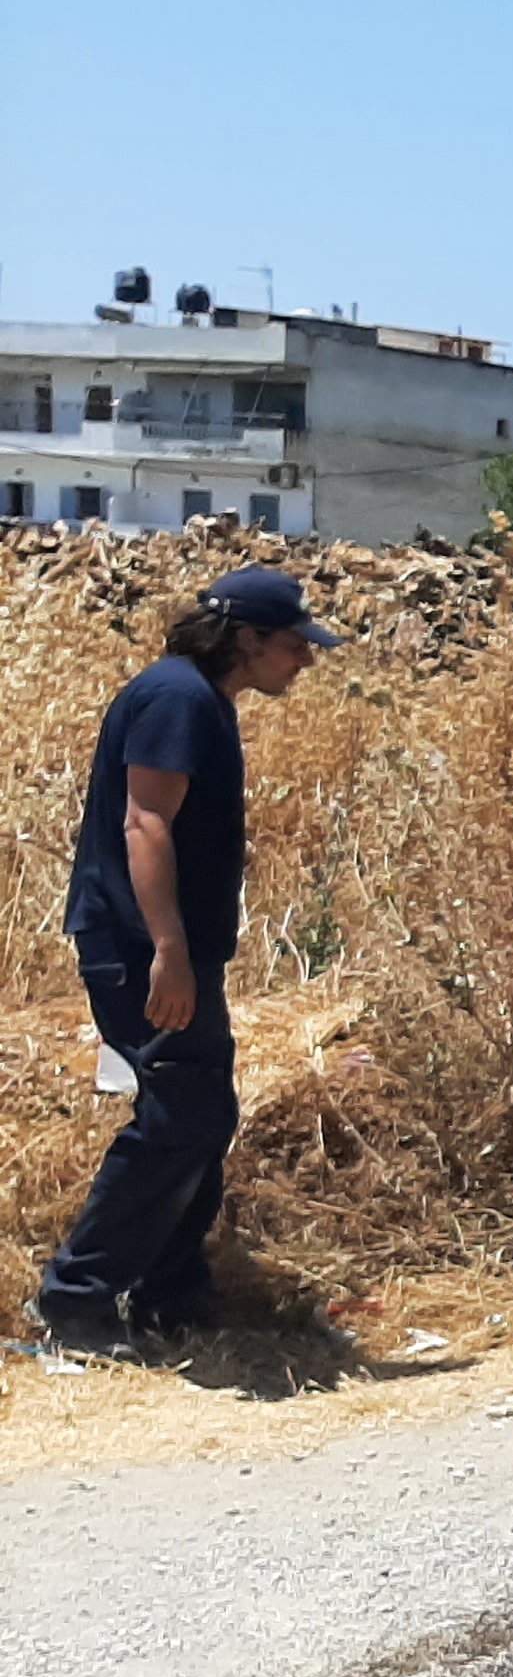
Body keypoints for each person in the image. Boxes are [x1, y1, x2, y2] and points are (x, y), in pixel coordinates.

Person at [31, 568, 338, 1354]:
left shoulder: (198, 699)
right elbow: (144, 825)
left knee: (202, 1115)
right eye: (295, 645)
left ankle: (172, 1299)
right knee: (180, 1116)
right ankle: (76, 1304)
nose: (304, 660)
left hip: (168, 949)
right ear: (249, 639)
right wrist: (168, 949)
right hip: (142, 949)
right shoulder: (178, 698)